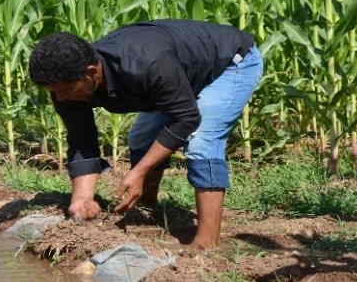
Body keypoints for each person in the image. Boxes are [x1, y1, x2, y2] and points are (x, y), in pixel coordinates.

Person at [28, 19, 263, 249]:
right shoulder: (66, 84)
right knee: (141, 137)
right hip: (180, 73)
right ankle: (149, 206)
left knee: (202, 141)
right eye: (53, 92)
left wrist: (139, 170)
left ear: (91, 73)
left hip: (230, 63)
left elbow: (186, 118)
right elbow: (82, 140)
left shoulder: (145, 64)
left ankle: (206, 242)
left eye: (65, 91)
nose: (60, 98)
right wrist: (82, 198)